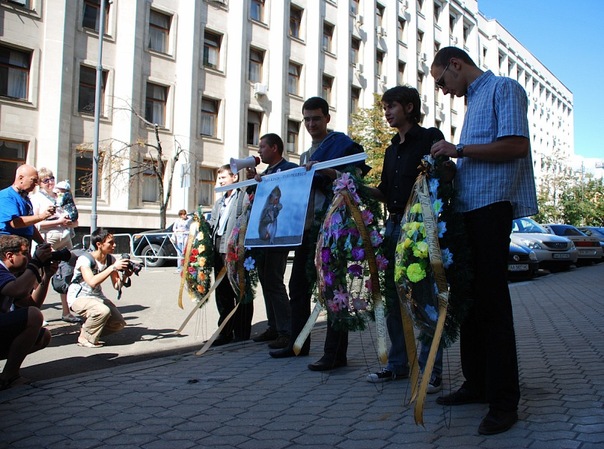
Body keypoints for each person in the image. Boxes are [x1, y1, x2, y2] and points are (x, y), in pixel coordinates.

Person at [429, 47, 538, 435]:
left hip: (492, 208)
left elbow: (516, 145)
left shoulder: (503, 88)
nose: (443, 90)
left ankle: (504, 402)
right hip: (468, 209)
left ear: (456, 64)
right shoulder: (472, 101)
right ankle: (476, 383)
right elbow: (475, 160)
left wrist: (458, 150)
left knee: (492, 304)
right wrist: (450, 169)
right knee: (469, 302)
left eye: (441, 81)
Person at [270, 96, 369, 369]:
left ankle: (335, 354)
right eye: (307, 119)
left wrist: (328, 172)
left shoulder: (342, 145)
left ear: (327, 118)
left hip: (332, 227)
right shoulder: (304, 156)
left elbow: (355, 178)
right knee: (298, 286)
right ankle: (297, 344)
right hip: (306, 229)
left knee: (334, 287)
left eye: (316, 118)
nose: (311, 124)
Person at [363, 86, 445, 393]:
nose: (386, 112)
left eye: (391, 106)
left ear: (409, 107)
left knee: (423, 298)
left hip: (420, 227)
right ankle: (398, 364)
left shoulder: (429, 138)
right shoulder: (390, 150)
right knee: (395, 298)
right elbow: (385, 192)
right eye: (384, 107)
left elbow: (443, 177)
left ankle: (430, 370)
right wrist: (353, 186)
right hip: (393, 225)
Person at [248, 133, 297, 350]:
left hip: (278, 235)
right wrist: (254, 181)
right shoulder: (266, 174)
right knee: (266, 280)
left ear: (274, 148)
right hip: (261, 235)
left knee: (274, 281)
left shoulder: (289, 169)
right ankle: (274, 326)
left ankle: (286, 331)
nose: (259, 151)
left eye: (262, 147)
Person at [0, 235, 56, 390]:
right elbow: (17, 290)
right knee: (33, 316)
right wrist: (35, 263)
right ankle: (9, 376)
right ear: (10, 256)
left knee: (42, 336)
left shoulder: (10, 275)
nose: (29, 258)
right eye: (25, 254)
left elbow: (32, 304)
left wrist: (46, 276)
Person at [208, 165, 253, 346]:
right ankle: (224, 332)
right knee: (223, 292)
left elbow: (246, 220)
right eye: (219, 178)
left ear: (234, 178)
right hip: (218, 247)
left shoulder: (242, 197)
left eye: (223, 178)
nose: (220, 181)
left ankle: (242, 332)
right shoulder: (219, 202)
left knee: (239, 289)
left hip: (235, 248)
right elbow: (213, 223)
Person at [30, 168, 81, 324]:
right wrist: (58, 222)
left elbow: (74, 219)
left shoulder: (61, 196)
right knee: (40, 276)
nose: (50, 182)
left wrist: (70, 222)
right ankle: (36, 313)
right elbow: (36, 223)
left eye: (51, 178)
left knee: (66, 274)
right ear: (39, 183)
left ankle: (66, 312)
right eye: (45, 180)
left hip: (65, 237)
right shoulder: (37, 198)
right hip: (47, 239)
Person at [66, 229, 132, 348]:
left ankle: (87, 329)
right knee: (102, 311)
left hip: (97, 296)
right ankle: (85, 338)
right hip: (79, 297)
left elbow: (117, 286)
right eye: (110, 243)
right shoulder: (85, 259)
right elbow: (92, 282)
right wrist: (113, 268)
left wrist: (126, 275)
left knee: (118, 323)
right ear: (99, 244)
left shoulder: (110, 259)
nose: (114, 245)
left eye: (114, 242)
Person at [0, 164, 55, 246]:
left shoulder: (25, 198)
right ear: (21, 178)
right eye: (33, 180)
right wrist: (42, 216)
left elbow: (29, 225)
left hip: (24, 243)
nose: (36, 184)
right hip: (10, 244)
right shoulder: (6, 196)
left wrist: (43, 244)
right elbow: (15, 223)